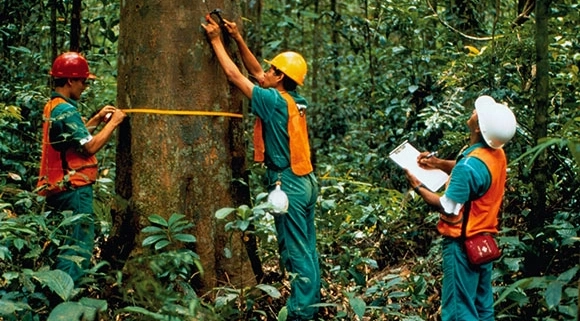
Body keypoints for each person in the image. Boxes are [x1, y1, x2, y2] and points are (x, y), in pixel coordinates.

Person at [202, 15, 320, 321]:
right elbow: (255, 72)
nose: (264, 72)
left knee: (296, 251)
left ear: (279, 77)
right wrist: (238, 38)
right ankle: (312, 305)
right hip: (305, 181)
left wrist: (216, 40)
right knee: (306, 248)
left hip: (288, 184)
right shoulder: (294, 99)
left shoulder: (273, 102)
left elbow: (236, 76)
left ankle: (301, 314)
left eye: (271, 70)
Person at [405, 95, 517, 320]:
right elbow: (470, 168)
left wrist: (417, 186)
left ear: (478, 127)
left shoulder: (468, 167)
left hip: (462, 246)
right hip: (484, 240)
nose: (473, 112)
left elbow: (447, 207)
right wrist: (437, 164)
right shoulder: (496, 154)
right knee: (482, 307)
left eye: (477, 114)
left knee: (458, 311)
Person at [37, 52, 126, 282]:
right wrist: (114, 123)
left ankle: (53, 295)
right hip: (73, 189)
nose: (85, 86)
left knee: (62, 244)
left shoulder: (54, 106)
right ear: (70, 81)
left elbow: (71, 140)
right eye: (83, 81)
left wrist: (96, 120)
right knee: (76, 249)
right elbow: (88, 147)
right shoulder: (65, 110)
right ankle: (66, 303)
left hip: (58, 187)